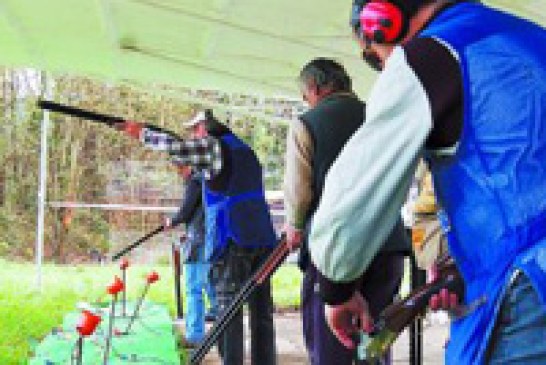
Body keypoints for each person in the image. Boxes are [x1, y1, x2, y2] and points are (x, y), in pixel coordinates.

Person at [306, 0, 546, 364]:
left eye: (374, 57)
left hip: (528, 287)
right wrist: (461, 261)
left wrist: (336, 288)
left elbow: (355, 192)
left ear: (384, 21)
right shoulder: (531, 37)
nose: (382, 67)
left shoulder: (428, 56)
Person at [118, 110, 277, 365]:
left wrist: (141, 133)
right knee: (262, 315)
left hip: (232, 238)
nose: (193, 137)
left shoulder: (214, 147)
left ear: (203, 128)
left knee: (229, 314)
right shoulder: (245, 150)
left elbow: (178, 150)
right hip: (262, 237)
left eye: (195, 131)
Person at [283, 58, 409, 364]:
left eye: (305, 95)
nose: (306, 101)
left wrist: (295, 226)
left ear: (313, 88)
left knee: (331, 346)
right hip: (387, 243)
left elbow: (299, 193)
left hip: (333, 250)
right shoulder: (379, 115)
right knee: (375, 343)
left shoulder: (306, 124)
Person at [165, 163, 217, 347]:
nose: (179, 173)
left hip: (197, 242)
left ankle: (195, 335)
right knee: (211, 286)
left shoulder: (195, 182)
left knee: (194, 288)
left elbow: (186, 210)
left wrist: (173, 221)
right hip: (209, 238)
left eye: (180, 168)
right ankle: (224, 333)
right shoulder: (209, 179)